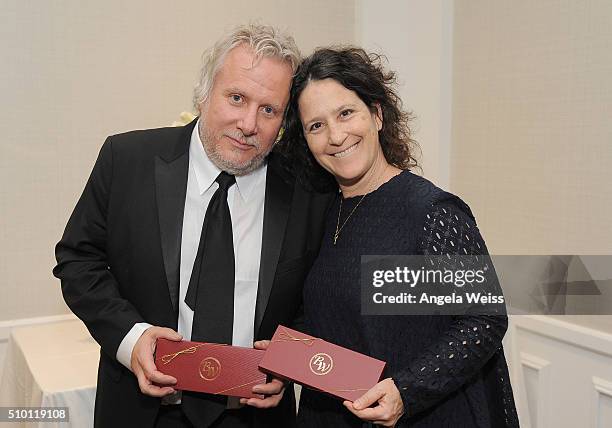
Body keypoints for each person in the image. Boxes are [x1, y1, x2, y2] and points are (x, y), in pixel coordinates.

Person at [53, 24, 332, 428]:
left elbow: (319, 299)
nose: (248, 123)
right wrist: (130, 340)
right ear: (204, 93)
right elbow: (78, 261)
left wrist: (291, 363)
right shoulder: (127, 160)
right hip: (142, 411)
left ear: (284, 122)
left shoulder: (310, 192)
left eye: (268, 110)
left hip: (255, 416)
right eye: (236, 98)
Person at [279, 47, 520, 427]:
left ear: (376, 115)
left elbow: (484, 320)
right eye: (316, 125)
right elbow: (331, 318)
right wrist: (282, 356)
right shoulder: (324, 213)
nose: (336, 135)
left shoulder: (430, 211)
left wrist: (406, 391)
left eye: (346, 113)